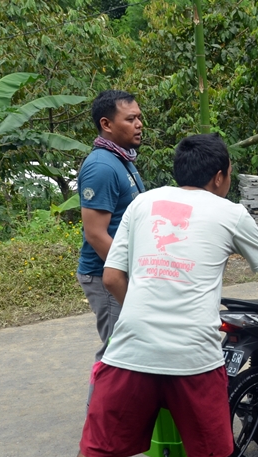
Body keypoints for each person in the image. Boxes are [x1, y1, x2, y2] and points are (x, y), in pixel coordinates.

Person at [25, 134, 258, 457]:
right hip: (194, 355)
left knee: (94, 446)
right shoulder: (231, 212)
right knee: (205, 446)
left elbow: (114, 276)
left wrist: (147, 308)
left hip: (130, 346)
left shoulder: (142, 204)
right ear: (220, 176)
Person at [77, 90, 145, 362]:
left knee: (134, 351)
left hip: (120, 271)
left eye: (139, 117)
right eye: (130, 119)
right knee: (118, 356)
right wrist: (126, 273)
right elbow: (95, 234)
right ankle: (99, 406)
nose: (139, 124)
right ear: (106, 124)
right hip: (106, 276)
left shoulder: (121, 160)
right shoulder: (101, 167)